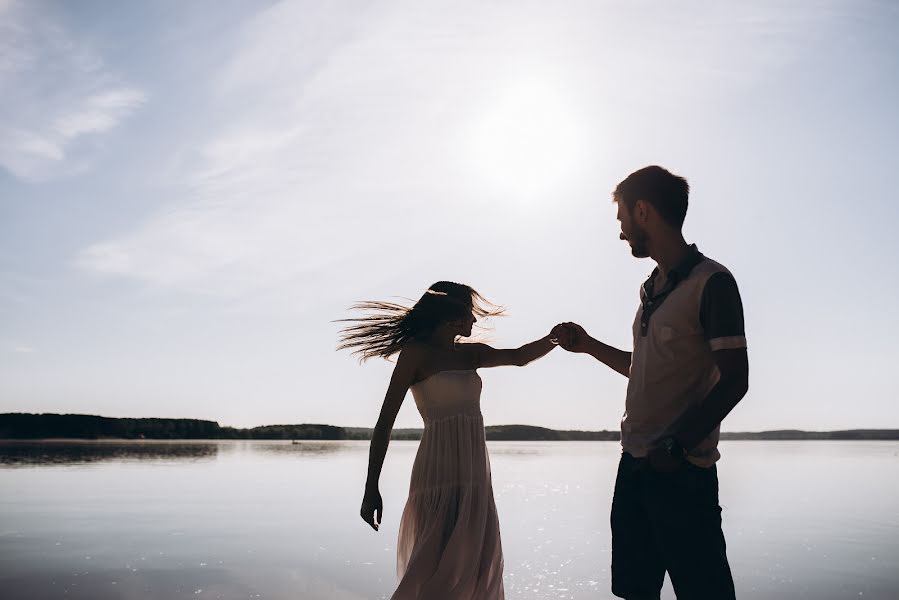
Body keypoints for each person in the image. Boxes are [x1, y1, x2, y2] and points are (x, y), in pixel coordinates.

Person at [555, 166, 749, 600]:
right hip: (634, 466)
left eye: (622, 218)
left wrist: (677, 446)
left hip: (682, 474)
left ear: (642, 211)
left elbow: (735, 381)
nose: (621, 231)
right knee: (634, 591)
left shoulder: (712, 283)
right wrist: (587, 345)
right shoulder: (650, 289)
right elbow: (644, 367)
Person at [338, 281, 562, 600]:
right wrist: (371, 487)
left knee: (473, 564)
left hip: (474, 476)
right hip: (437, 473)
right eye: (470, 313)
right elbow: (384, 423)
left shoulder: (470, 354)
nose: (474, 321)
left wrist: (555, 337)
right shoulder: (416, 354)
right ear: (452, 315)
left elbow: (520, 356)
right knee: (432, 568)